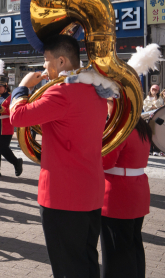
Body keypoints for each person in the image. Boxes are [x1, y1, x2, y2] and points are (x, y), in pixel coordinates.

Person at [10, 34, 108, 278]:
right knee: (86, 262)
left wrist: (22, 86)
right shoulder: (95, 92)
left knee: (67, 268)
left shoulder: (62, 93)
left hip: (63, 196)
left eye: (46, 60)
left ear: (61, 61)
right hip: (91, 193)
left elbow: (18, 116)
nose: (44, 66)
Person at [100, 99, 152, 278]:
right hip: (137, 190)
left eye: (108, 101)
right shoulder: (141, 126)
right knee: (134, 244)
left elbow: (105, 162)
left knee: (116, 252)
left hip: (118, 193)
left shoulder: (120, 130)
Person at [0, 73, 23, 178]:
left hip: (5, 125)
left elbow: (12, 111)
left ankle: (16, 162)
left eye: (0, 86)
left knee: (2, 147)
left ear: (6, 86)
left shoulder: (11, 97)